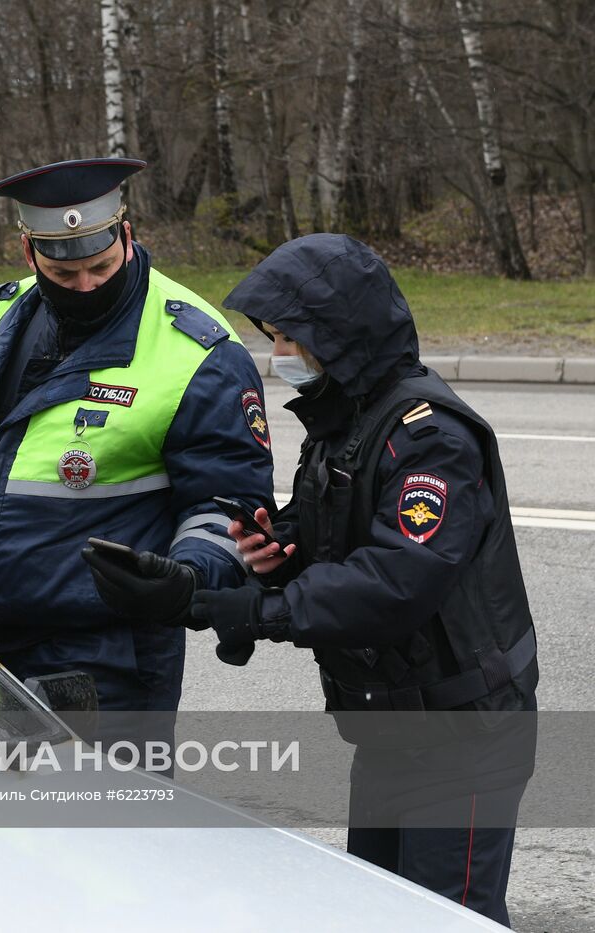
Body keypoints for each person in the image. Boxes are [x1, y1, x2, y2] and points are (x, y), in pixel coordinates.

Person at [187, 233, 538, 925]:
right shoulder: (346, 419)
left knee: (449, 917)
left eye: (291, 336)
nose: (279, 353)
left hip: (461, 737)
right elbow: (338, 530)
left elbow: (397, 579)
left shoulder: (429, 432)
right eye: (274, 336)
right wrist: (283, 546)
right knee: (374, 909)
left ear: (340, 336)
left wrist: (263, 609)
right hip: (391, 727)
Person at [0, 158, 274, 711]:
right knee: (10, 798)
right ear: (29, 252)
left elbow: (229, 501)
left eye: (101, 266)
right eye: (65, 274)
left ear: (126, 234)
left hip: (115, 650)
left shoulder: (195, 351)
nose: (87, 285)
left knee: (103, 799)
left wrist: (188, 576)